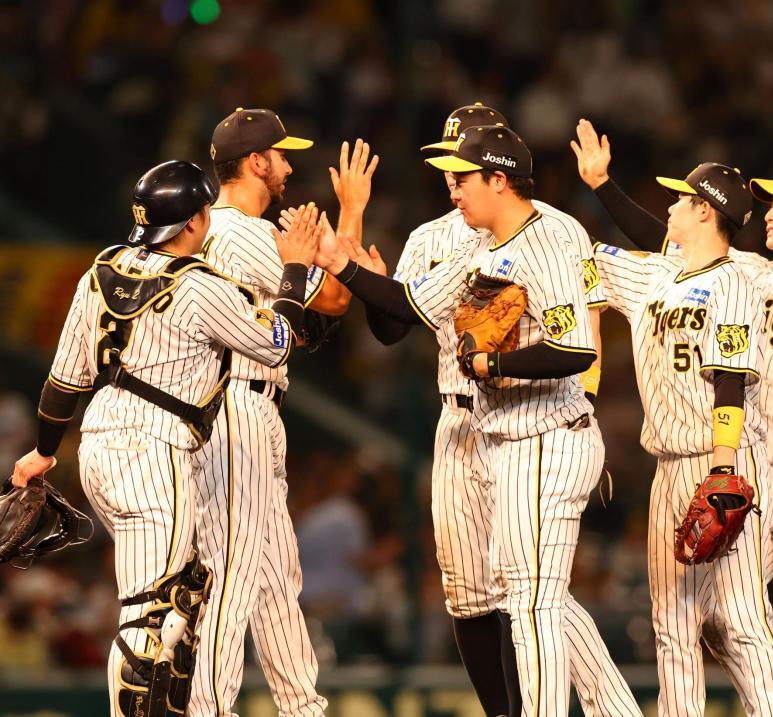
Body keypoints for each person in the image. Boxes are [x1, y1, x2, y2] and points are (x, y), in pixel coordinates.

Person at [312, 125, 640, 717]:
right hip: (497, 434)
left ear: (498, 178)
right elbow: (409, 307)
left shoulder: (552, 239)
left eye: (463, 178)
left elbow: (576, 350)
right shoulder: (483, 248)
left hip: (549, 433)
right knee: (534, 597)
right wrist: (345, 262)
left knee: (532, 604)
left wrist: (497, 360)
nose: (451, 187)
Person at [573, 119, 773, 716]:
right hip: (753, 455)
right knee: (715, 619)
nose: (770, 209)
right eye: (767, 201)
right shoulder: (750, 273)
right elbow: (670, 252)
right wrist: (604, 187)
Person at [10, 160, 320, 717]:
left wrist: (43, 451)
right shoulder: (200, 286)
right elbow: (278, 342)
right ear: (197, 219)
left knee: (182, 601)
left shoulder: (101, 270)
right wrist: (294, 269)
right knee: (150, 613)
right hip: (153, 449)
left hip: (98, 443)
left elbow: (64, 381)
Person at [188, 108, 376, 717]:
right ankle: (206, 709)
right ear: (254, 161)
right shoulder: (242, 232)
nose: (290, 165)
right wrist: (349, 213)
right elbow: (340, 296)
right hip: (235, 404)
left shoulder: (212, 228)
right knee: (232, 579)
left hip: (241, 405)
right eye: (281, 154)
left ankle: (302, 707)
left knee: (275, 581)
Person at [590, 161, 773, 716]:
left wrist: (724, 468)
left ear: (705, 210)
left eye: (681, 199)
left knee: (741, 618)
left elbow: (730, 379)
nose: (671, 207)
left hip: (726, 458)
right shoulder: (656, 274)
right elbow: (580, 258)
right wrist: (598, 184)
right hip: (669, 466)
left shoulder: (735, 283)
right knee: (671, 622)